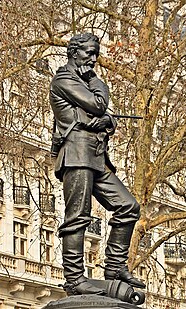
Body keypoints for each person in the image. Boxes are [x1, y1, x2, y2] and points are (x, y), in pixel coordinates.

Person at [49, 33, 145, 295]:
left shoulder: (82, 80)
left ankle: (114, 267)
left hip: (97, 156)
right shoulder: (65, 79)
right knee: (77, 218)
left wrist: (106, 121)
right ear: (73, 53)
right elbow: (98, 104)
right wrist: (97, 86)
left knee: (128, 206)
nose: (93, 59)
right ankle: (74, 279)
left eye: (96, 54)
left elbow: (103, 117)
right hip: (76, 156)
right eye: (89, 53)